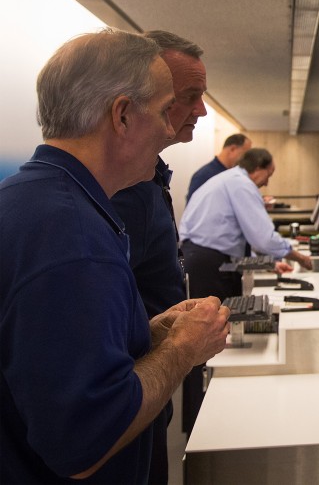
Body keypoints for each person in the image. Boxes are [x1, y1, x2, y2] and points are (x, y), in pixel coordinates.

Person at [0, 29, 229, 483]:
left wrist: (149, 336)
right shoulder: (75, 239)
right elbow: (83, 442)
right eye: (167, 111)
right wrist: (183, 349)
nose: (170, 129)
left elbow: (47, 358)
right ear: (122, 115)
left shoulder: (28, 197)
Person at [110, 30, 207, 483]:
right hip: (130, 399)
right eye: (187, 96)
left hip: (149, 383)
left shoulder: (148, 180)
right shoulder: (121, 192)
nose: (201, 110)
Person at [178, 147, 311, 432]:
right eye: (268, 175)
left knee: (208, 341)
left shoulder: (229, 179)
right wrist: (297, 256)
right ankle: (201, 422)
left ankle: (199, 419)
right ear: (258, 169)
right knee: (205, 343)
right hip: (208, 263)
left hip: (204, 257)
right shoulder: (242, 185)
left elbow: (234, 234)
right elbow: (262, 237)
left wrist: (270, 263)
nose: (267, 183)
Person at [186, 133, 252, 202]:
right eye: (244, 154)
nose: (245, 159)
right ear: (233, 149)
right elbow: (193, 207)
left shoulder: (233, 174)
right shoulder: (204, 175)